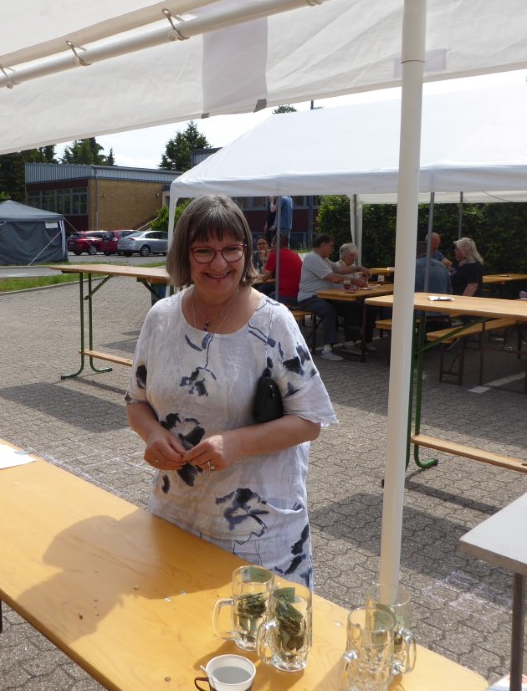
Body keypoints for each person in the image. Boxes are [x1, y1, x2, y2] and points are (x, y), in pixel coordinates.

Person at [125, 195, 336, 587]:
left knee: (252, 626)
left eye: (231, 249)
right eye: (204, 250)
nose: (219, 264)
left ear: (246, 251)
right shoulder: (161, 317)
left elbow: (310, 421)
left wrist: (237, 442)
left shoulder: (273, 323)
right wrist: (152, 434)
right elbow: (136, 402)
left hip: (258, 535)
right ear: (184, 255)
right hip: (176, 516)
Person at [297, 234, 370, 361]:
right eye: (331, 246)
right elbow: (332, 277)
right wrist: (354, 281)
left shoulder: (323, 259)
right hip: (309, 298)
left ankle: (351, 343)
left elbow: (339, 269)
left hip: (324, 297)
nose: (332, 250)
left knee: (353, 307)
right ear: (323, 245)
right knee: (329, 311)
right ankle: (327, 350)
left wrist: (358, 268)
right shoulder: (312, 258)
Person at [259, 234, 302, 305]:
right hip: (298, 295)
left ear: (276, 244)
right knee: (266, 288)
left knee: (261, 290)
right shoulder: (295, 254)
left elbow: (264, 277)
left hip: (285, 296)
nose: (272, 246)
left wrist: (264, 260)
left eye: (273, 243)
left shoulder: (275, 254)